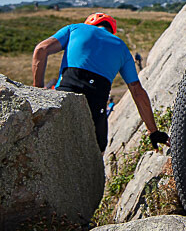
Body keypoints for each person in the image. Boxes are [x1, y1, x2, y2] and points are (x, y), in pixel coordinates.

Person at [31, 13, 169, 152]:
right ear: (111, 30)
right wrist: (153, 131)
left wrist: (38, 91)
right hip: (96, 108)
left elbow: (41, 50)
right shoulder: (122, 47)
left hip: (65, 97)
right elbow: (137, 92)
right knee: (97, 152)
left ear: (89, 24)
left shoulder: (75, 29)